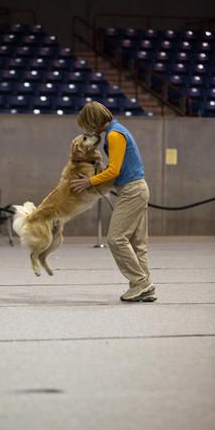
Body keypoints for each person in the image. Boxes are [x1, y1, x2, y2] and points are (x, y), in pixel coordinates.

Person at [71, 101, 156, 302]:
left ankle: (141, 283)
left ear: (93, 122)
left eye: (87, 126)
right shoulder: (118, 130)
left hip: (132, 191)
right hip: (138, 188)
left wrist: (89, 181)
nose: (88, 130)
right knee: (137, 243)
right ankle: (144, 287)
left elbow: (114, 170)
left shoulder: (114, 135)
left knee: (116, 238)